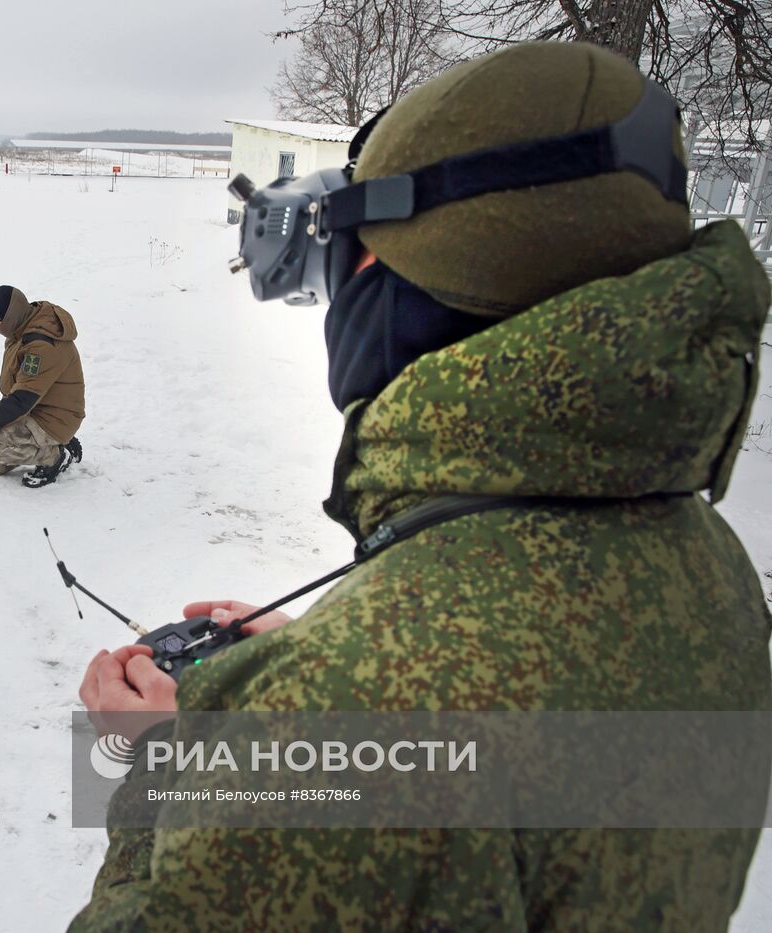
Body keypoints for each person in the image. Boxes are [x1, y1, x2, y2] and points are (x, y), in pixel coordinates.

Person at [71, 43, 772, 929]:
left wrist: (178, 767)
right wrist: (367, 650)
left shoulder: (357, 714)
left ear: (405, 276)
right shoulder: (711, 567)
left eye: (347, 263)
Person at [0, 285, 85, 488]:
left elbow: (21, 401)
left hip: (54, 418)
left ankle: (54, 455)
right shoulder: (24, 324)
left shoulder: (40, 347)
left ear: (9, 317)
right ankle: (49, 444)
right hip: (35, 407)